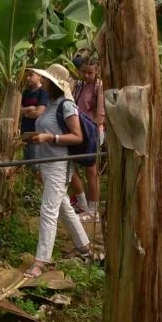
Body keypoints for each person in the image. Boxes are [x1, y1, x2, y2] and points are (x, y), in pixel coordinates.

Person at [23, 64, 91, 278]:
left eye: (46, 80)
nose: (42, 82)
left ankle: (41, 261)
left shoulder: (66, 104)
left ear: (55, 84)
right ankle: (84, 247)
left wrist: (50, 138)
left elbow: (77, 136)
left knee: (48, 211)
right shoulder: (51, 103)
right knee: (62, 207)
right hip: (47, 161)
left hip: (59, 163)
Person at [69, 58, 105, 221]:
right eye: (83, 71)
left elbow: (100, 112)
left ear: (96, 71)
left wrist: (98, 132)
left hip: (92, 130)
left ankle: (93, 209)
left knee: (91, 170)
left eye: (90, 72)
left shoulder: (99, 86)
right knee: (71, 165)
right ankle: (82, 203)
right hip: (78, 130)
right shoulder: (78, 85)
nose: (86, 75)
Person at [20, 69, 50, 171]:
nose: (28, 78)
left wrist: (25, 113)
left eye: (31, 75)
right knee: (27, 163)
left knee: (36, 166)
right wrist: (30, 108)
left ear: (39, 77)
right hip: (25, 132)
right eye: (27, 76)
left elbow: (39, 112)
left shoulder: (43, 92)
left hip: (37, 133)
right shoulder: (25, 92)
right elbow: (17, 110)